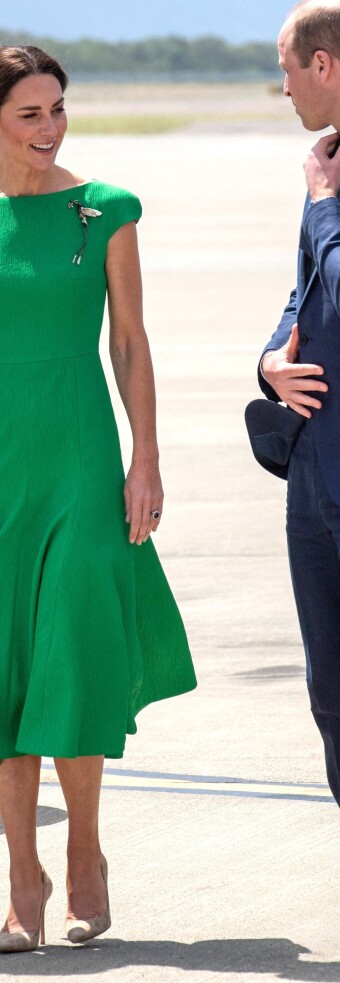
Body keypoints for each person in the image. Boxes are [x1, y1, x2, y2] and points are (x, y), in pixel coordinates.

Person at [0, 46, 195, 953]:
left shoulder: (106, 208)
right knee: (2, 662)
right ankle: (20, 878)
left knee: (72, 650)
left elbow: (130, 341)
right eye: (30, 113)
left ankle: (83, 853)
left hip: (82, 453)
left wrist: (144, 458)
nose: (49, 128)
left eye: (58, 109)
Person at [258, 0, 340, 805]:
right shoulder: (330, 159)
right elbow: (306, 293)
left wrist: (325, 205)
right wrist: (268, 361)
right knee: (330, 697)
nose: (282, 87)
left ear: (325, 65)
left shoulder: (326, 182)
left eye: (287, 67)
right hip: (314, 475)